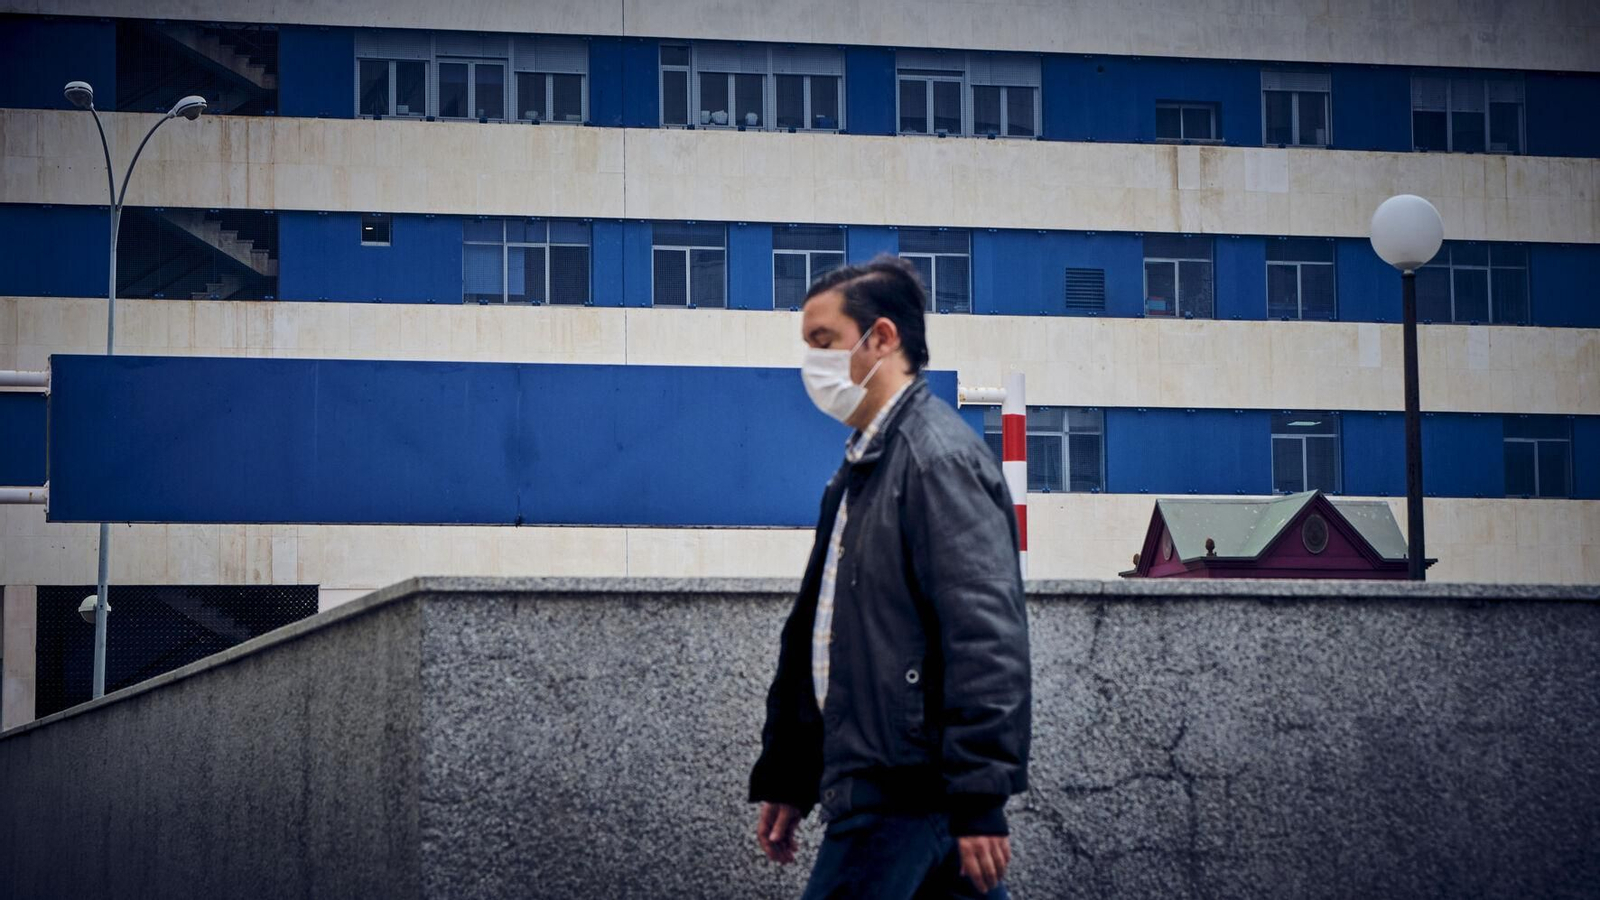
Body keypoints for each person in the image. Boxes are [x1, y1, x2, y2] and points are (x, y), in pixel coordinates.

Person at [749, 256, 1032, 899]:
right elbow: (823, 639)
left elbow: (984, 633)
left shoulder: (934, 460)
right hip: (890, 789)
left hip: (904, 793)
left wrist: (981, 797)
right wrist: (792, 776)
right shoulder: (862, 470)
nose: (811, 364)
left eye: (824, 342)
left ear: (882, 338)